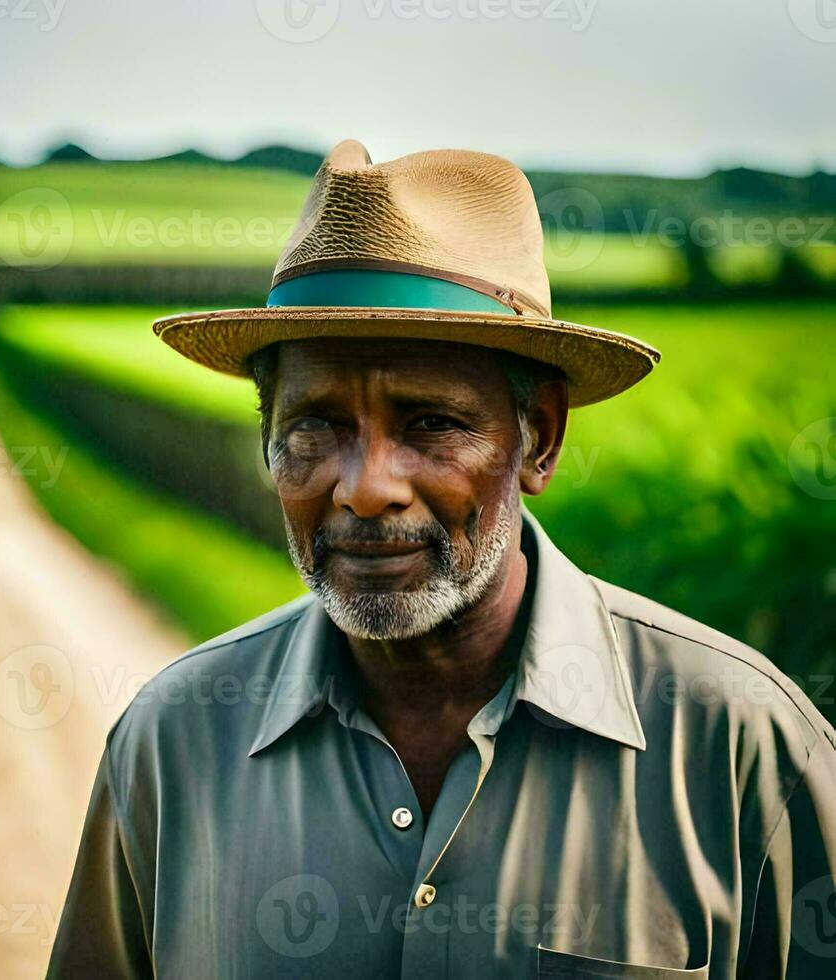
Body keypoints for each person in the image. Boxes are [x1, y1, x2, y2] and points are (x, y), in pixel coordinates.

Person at [46, 139, 836, 978]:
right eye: (315, 425)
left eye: (431, 423)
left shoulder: (740, 751)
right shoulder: (173, 744)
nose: (366, 488)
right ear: (268, 440)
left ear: (541, 439)